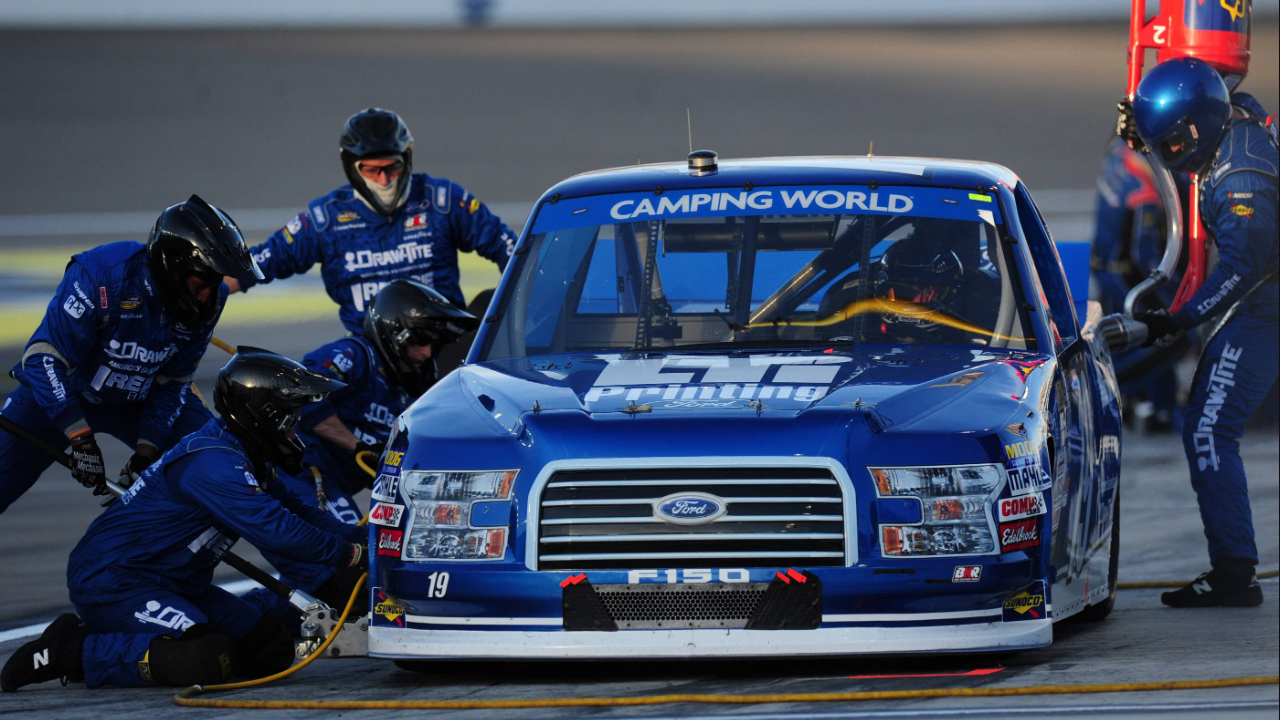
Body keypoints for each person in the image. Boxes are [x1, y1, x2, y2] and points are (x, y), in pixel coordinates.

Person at [0, 349, 367, 692]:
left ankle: (150, 637)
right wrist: (352, 554)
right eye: (292, 420)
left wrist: (367, 540)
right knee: (203, 657)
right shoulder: (215, 463)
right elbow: (278, 531)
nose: (296, 431)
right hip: (117, 581)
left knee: (266, 649)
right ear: (265, 414)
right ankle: (73, 649)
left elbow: (301, 514)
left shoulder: (245, 456)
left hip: (177, 583)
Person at [1120, 56, 1278, 608]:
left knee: (1210, 429)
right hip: (1262, 306)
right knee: (1207, 423)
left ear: (1195, 131)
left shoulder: (1240, 181)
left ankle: (1235, 573)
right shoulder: (1236, 127)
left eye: (1168, 145)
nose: (1164, 157)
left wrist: (1180, 318)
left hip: (1267, 312)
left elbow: (1242, 266)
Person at [0, 195, 262, 514]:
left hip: (141, 398)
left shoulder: (212, 299)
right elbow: (43, 359)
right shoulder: (101, 275)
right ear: (173, 266)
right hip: (60, 393)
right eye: (202, 281)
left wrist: (145, 454)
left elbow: (173, 381)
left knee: (223, 467)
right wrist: (79, 437)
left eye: (216, 281)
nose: (208, 293)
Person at [242, 280, 478, 621]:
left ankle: (252, 619)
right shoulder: (354, 355)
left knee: (328, 588)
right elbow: (302, 393)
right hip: (301, 476)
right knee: (358, 568)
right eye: (421, 342)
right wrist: (357, 446)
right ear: (395, 334)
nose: (427, 353)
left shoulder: (411, 386)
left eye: (434, 344)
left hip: (330, 485)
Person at [225, 107, 516, 335]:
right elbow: (255, 264)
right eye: (371, 170)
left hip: (442, 348)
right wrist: (196, 293)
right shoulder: (325, 219)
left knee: (487, 303)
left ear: (407, 159)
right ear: (351, 167)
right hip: (371, 358)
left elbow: (509, 248)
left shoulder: (443, 200)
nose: (384, 179)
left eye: (392, 168)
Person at [1090, 137, 1191, 432]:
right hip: (1127, 277)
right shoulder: (1145, 191)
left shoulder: (1119, 155)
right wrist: (1176, 297)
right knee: (1173, 335)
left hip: (1105, 270)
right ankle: (1122, 394)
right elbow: (1144, 257)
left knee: (1122, 343)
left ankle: (1143, 405)